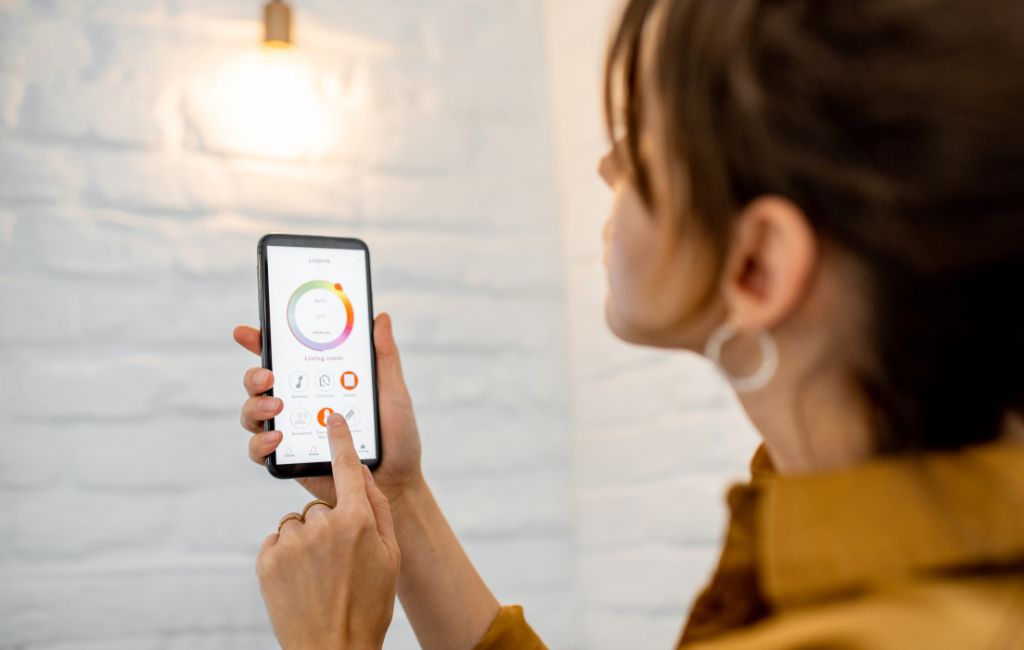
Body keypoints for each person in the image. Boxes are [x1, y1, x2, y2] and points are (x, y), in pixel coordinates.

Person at [231, 0, 1024, 647]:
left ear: (759, 264)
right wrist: (396, 496)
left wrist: (330, 640)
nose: (607, 166)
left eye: (641, 138)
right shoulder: (818, 493)